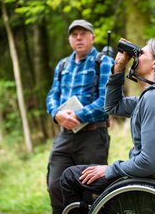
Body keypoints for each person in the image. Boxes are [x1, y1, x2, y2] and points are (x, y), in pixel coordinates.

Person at [60, 38, 155, 213]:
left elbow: (149, 163)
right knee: (81, 176)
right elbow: (112, 106)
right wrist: (118, 68)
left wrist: (110, 169)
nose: (135, 56)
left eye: (141, 53)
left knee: (71, 177)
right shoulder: (151, 97)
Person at [45, 19, 114, 214]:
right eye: (74, 34)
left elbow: (106, 101)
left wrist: (78, 115)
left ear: (92, 37)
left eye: (83, 33)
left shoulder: (103, 62)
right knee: (55, 186)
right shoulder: (62, 65)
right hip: (65, 135)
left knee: (90, 190)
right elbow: (52, 95)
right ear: (69, 39)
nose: (78, 37)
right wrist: (56, 113)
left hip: (93, 137)